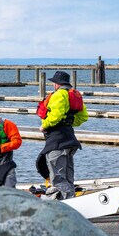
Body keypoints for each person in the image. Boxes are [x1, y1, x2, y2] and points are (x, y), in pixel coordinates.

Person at [35, 71, 88, 199]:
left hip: (57, 142)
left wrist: (44, 125)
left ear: (57, 84)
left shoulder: (59, 95)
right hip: (70, 140)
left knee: (58, 178)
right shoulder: (74, 95)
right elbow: (83, 117)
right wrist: (68, 122)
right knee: (68, 176)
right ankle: (71, 199)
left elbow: (56, 115)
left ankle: (68, 202)